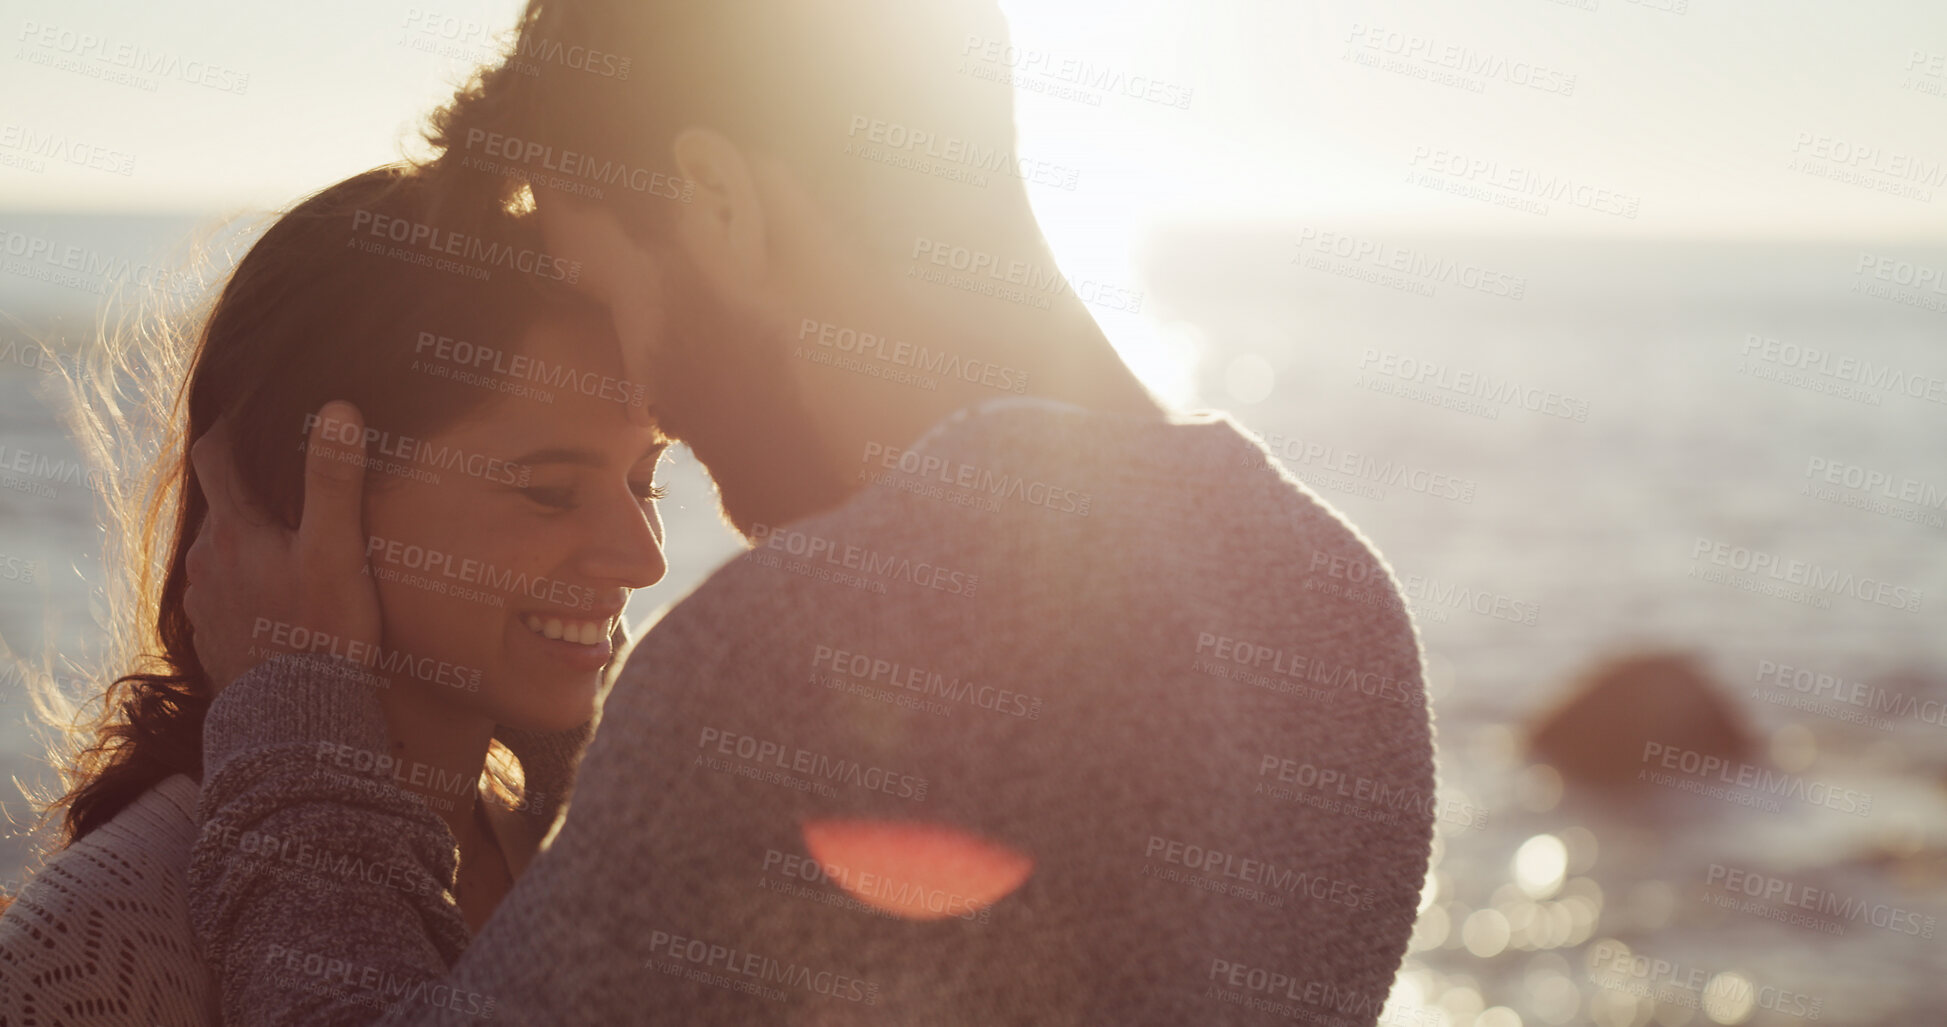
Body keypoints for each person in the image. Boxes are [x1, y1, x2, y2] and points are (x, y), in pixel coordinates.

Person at [185, 1, 1438, 1024]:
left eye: (608, 292)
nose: (640, 384)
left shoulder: (804, 660)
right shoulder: (1337, 611)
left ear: (717, 199)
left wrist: (301, 722)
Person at [0, 165, 668, 1025]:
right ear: (306, 492)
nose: (645, 559)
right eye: (548, 490)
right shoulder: (96, 948)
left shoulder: (578, 860)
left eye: (647, 480)